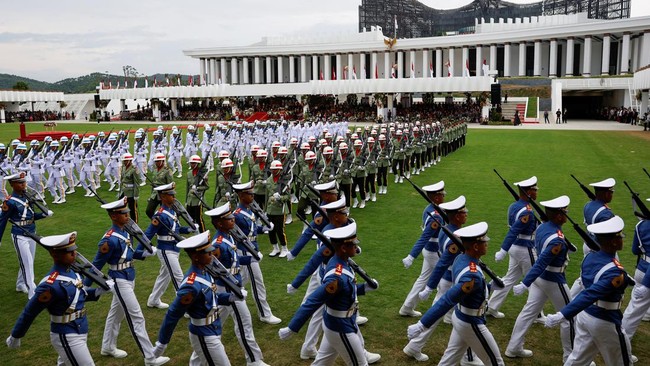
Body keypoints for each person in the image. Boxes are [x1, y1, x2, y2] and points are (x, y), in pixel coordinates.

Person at [279, 222, 380, 366]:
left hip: (340, 322)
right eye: (353, 245)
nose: (356, 248)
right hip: (340, 326)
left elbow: (346, 290)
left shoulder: (342, 262)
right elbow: (313, 301)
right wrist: (292, 327)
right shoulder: (336, 276)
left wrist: (364, 288)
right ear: (343, 248)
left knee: (321, 363)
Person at [407, 222, 505, 366]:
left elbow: (473, 292)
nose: (487, 244)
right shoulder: (472, 275)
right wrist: (422, 324)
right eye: (484, 242)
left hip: (460, 316)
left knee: (449, 360)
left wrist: (489, 286)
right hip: (471, 321)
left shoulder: (461, 259)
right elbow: (447, 299)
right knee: (496, 362)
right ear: (476, 247)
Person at [87, 197, 169, 366]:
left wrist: (145, 253)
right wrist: (81, 288)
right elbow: (95, 266)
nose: (127, 215)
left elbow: (128, 255)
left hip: (129, 276)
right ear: (113, 216)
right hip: (119, 279)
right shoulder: (108, 240)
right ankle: (150, 357)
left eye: (127, 212)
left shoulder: (125, 231)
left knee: (115, 314)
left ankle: (107, 346)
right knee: (136, 317)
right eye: (123, 213)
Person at [6, 232, 109, 366]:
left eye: (74, 250)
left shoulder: (72, 271)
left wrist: (98, 291)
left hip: (80, 328)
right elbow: (30, 311)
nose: (74, 254)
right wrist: (16, 335)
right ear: (55, 255)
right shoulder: (49, 285)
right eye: (69, 252)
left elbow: (78, 295)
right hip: (66, 334)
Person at [546, 216, 634, 365]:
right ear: (613, 242)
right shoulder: (615, 271)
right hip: (606, 320)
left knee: (577, 360)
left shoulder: (590, 258)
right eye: (619, 237)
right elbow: (591, 293)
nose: (622, 239)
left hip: (585, 316)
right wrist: (562, 315)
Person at [506, 195, 575, 361]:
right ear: (559, 215)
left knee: (528, 312)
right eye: (565, 212)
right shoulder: (556, 239)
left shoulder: (544, 227)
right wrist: (524, 283)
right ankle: (572, 357)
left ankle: (513, 347)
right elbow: (542, 262)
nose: (567, 215)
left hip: (540, 279)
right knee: (570, 317)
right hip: (554, 278)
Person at [153, 231, 236, 365]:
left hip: (213, 327)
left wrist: (230, 297)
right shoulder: (190, 286)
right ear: (196, 257)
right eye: (207, 253)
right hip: (204, 334)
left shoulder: (206, 271)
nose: (212, 255)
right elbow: (172, 314)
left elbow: (211, 297)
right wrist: (162, 343)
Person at [206, 202, 269, 366]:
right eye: (229, 219)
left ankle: (198, 358)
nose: (233, 219)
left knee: (213, 323)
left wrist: (250, 259)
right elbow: (213, 268)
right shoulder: (218, 244)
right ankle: (253, 360)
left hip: (232, 283)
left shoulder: (228, 236)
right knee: (244, 322)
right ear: (220, 223)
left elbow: (233, 260)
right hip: (228, 287)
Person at [487, 176, 539, 319]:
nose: (536, 192)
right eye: (534, 190)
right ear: (528, 192)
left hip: (515, 247)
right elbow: (514, 230)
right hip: (525, 248)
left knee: (509, 278)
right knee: (535, 281)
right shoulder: (527, 211)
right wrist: (502, 250)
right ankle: (537, 315)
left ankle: (492, 306)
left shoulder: (514, 206)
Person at [233, 181, 282, 324]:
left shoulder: (249, 210)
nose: (253, 196)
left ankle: (223, 300)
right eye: (249, 194)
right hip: (246, 252)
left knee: (240, 281)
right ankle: (264, 313)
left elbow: (251, 230)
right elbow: (238, 237)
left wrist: (264, 229)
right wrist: (251, 252)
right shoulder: (237, 215)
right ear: (242, 196)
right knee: (257, 283)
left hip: (252, 249)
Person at [0, 172, 53, 298]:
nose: (24, 184)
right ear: (12, 184)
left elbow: (32, 216)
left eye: (24, 182)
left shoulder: (27, 196)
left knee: (28, 261)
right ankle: (32, 293)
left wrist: (44, 215)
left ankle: (20, 284)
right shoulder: (10, 202)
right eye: (20, 182)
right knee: (28, 262)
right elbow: (2, 221)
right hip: (19, 234)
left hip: (31, 232)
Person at [144, 182, 196, 309]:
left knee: (165, 276)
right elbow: (149, 233)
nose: (174, 197)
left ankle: (153, 300)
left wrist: (189, 230)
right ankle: (184, 307)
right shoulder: (160, 215)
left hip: (174, 248)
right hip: (166, 249)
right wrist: (143, 249)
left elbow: (176, 229)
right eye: (171, 195)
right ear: (163, 197)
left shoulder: (171, 211)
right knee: (178, 276)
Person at [400, 181, 446, 317]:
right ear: (437, 197)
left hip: (430, 251)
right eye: (442, 195)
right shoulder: (435, 216)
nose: (444, 197)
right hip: (434, 252)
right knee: (446, 281)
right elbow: (424, 237)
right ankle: (441, 313)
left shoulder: (430, 209)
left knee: (423, 279)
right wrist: (411, 256)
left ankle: (407, 307)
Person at [570, 178, 616, 299]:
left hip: (589, 242)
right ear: (606, 193)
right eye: (611, 192)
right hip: (601, 247)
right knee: (607, 273)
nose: (612, 194)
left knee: (585, 275)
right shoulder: (606, 214)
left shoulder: (588, 205)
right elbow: (610, 235)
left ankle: (570, 298)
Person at [621, 198, 650, 354]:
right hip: (648, 276)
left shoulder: (641, 225)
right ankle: (621, 345)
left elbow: (635, 250)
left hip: (642, 268)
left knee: (635, 308)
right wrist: (646, 284)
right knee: (633, 313)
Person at [264, 160, 291, 257]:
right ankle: (275, 248)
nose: (274, 171)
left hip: (280, 209)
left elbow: (288, 197)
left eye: (276, 170)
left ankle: (284, 248)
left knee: (280, 230)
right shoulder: (268, 180)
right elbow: (267, 196)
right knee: (271, 230)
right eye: (273, 169)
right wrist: (265, 209)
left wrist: (280, 198)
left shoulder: (284, 181)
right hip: (270, 209)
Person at [145, 153, 174, 219]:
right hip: (155, 194)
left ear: (163, 161)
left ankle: (165, 225)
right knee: (149, 211)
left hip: (164, 195)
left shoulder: (167, 171)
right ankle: (157, 222)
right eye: (156, 161)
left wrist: (171, 197)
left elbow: (170, 185)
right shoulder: (155, 170)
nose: (156, 163)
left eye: (158, 161)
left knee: (165, 212)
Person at [186, 154, 209, 232]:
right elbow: (187, 187)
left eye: (193, 163)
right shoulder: (189, 173)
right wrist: (186, 200)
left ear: (197, 164)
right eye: (191, 163)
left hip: (198, 199)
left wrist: (198, 188)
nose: (191, 164)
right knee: (191, 219)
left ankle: (203, 232)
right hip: (190, 200)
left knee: (199, 219)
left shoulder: (202, 174)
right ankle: (195, 233)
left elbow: (206, 186)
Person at [119, 152, 141, 223]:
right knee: (119, 206)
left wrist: (136, 195)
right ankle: (123, 220)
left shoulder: (134, 169)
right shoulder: (123, 168)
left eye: (125, 161)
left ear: (130, 161)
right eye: (123, 161)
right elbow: (122, 180)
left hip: (131, 192)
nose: (124, 162)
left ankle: (135, 223)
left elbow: (137, 183)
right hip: (124, 191)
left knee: (132, 209)